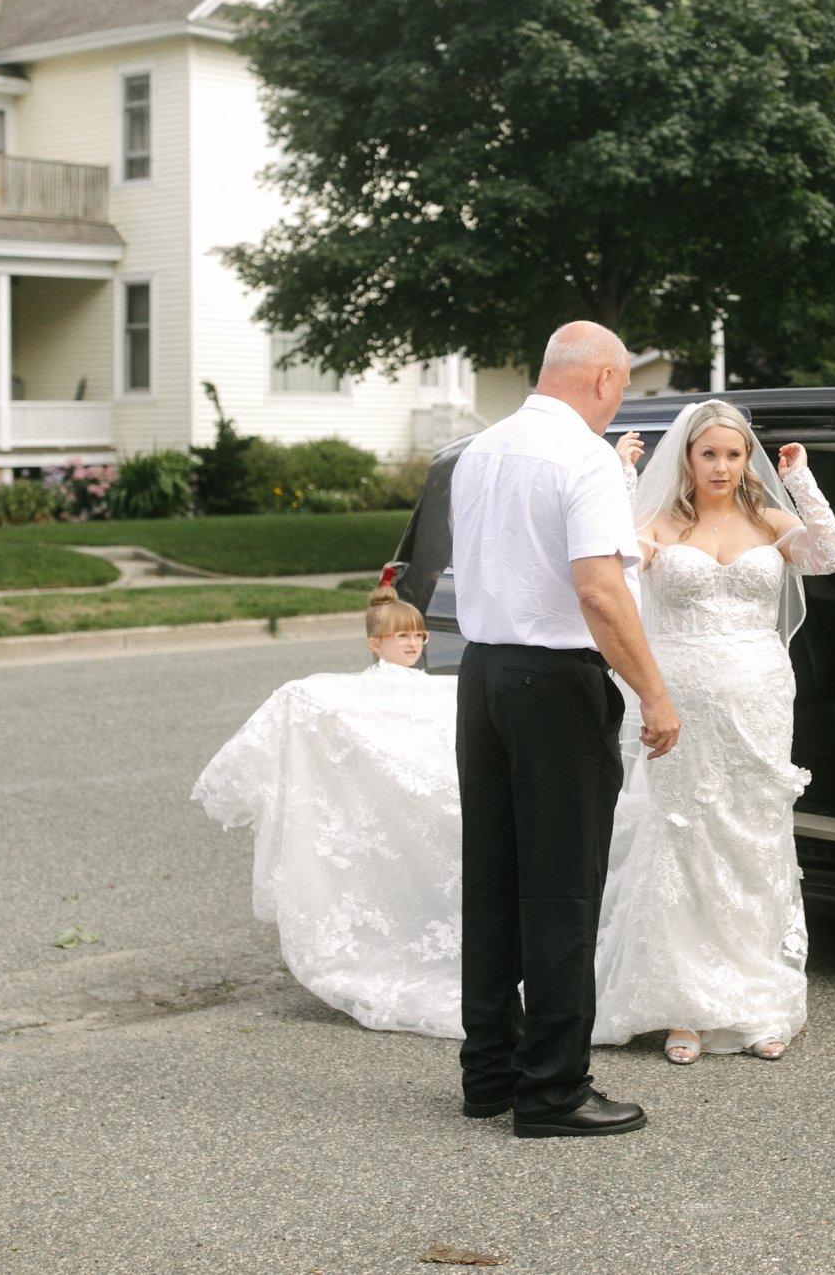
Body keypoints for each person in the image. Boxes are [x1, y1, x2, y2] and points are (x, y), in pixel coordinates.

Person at [449, 321, 680, 1139]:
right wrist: (652, 691)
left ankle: (490, 1070)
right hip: (555, 684)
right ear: (607, 379)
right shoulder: (583, 457)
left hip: (483, 678)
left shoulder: (481, 449)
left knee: (494, 877)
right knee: (560, 887)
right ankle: (552, 1089)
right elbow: (599, 591)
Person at [595, 400, 835, 1062]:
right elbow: (613, 562)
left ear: (746, 460)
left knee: (751, 839)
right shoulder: (658, 522)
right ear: (687, 457)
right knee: (684, 838)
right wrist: (622, 479)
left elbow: (831, 555)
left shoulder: (768, 519)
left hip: (759, 700)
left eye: (732, 454)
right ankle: (684, 1005)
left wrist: (803, 483)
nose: (720, 465)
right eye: (708, 453)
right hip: (679, 701)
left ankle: (757, 999)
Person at [189, 586, 461, 1038]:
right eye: (401, 637)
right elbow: (316, 701)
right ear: (376, 645)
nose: (412, 644)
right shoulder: (358, 693)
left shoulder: (434, 690)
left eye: (419, 636)